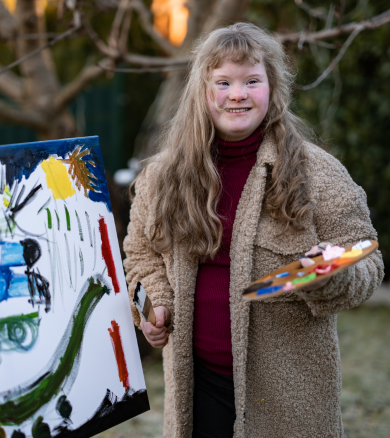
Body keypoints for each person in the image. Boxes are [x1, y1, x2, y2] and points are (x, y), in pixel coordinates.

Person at [123, 22, 384, 438]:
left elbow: (367, 261)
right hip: (197, 389)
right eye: (223, 81)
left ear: (273, 87)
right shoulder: (163, 175)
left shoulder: (317, 173)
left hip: (288, 402)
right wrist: (153, 305)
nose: (237, 94)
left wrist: (329, 277)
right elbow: (141, 253)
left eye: (251, 81)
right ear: (203, 90)